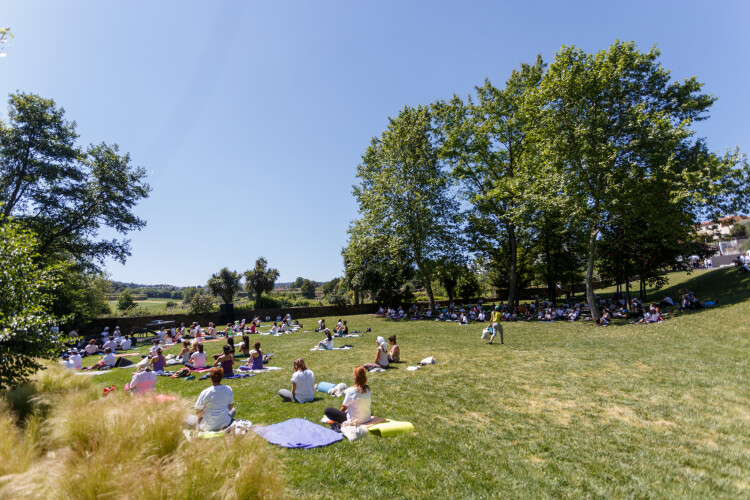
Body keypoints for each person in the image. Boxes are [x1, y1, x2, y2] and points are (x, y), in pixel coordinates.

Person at [193, 367, 235, 431]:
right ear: (221, 377)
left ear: (210, 378)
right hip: (225, 423)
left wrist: (200, 419)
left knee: (189, 419)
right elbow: (230, 407)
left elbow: (198, 412)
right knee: (233, 410)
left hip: (207, 427)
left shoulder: (205, 392)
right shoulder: (228, 389)